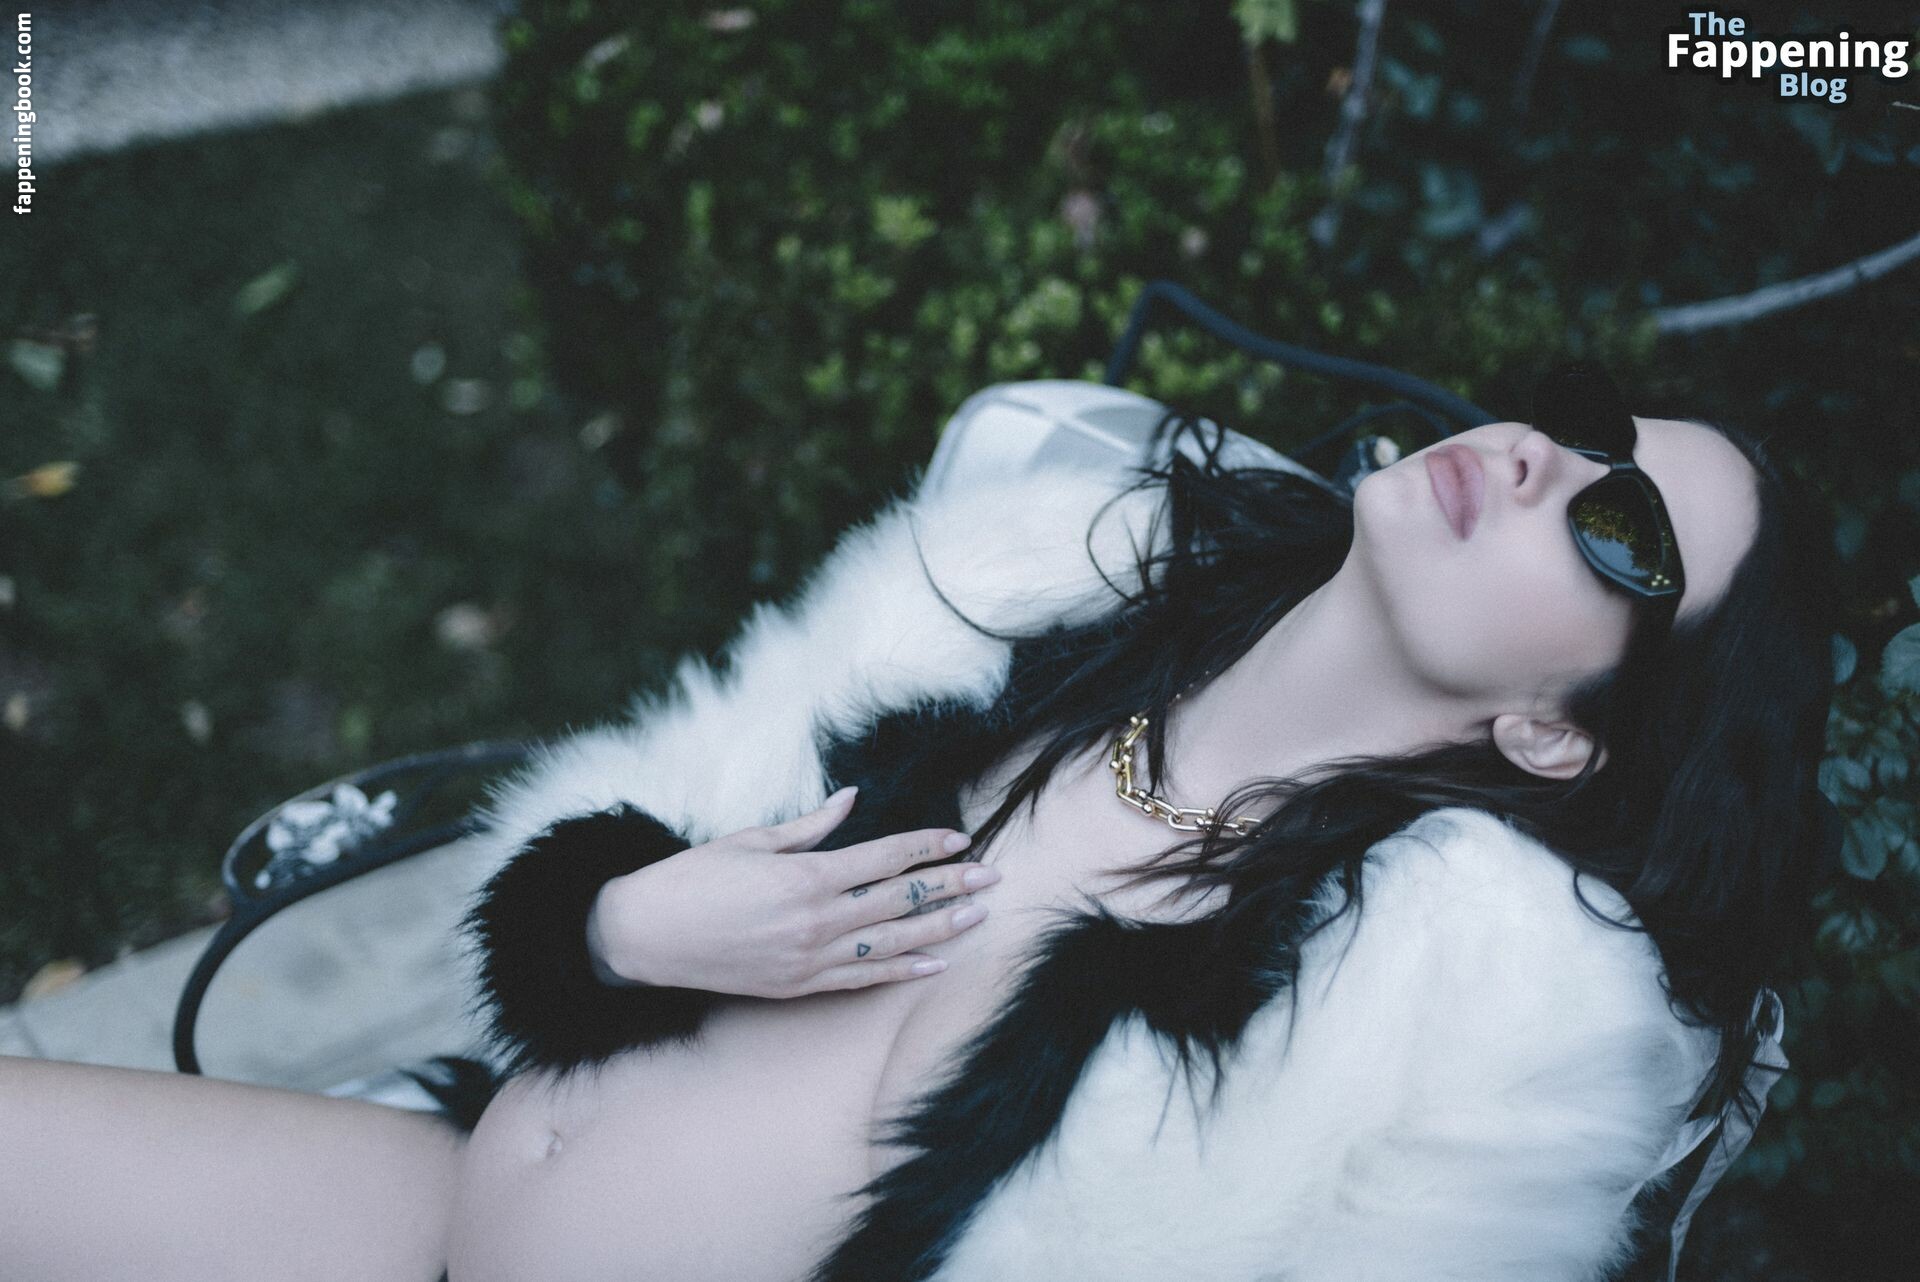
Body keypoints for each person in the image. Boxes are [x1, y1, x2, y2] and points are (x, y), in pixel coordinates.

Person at [0, 363, 1837, 1282]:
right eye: (1581, 426)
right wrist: (627, 920)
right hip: (430, 1213)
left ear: (1557, 730)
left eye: (1621, 532)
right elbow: (607, 842)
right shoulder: (1042, 591)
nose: (1537, 458)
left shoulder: (1447, 1024)